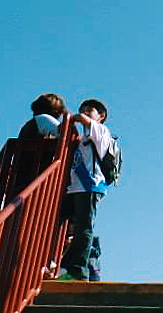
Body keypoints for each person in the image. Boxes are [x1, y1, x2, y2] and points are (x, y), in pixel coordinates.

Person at [59, 99, 112, 281]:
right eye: (83, 109)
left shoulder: (101, 131)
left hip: (90, 185)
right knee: (65, 224)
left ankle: (77, 270)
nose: (85, 112)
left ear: (101, 116)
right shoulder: (83, 139)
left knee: (83, 227)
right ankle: (62, 265)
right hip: (75, 187)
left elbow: (83, 119)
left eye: (90, 110)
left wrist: (71, 116)